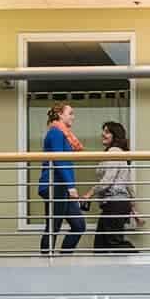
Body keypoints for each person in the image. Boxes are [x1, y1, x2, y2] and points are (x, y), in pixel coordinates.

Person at [36, 103, 87, 254]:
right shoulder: (56, 132)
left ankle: (64, 257)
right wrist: (71, 186)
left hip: (62, 186)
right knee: (53, 226)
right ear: (60, 114)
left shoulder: (63, 133)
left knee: (78, 225)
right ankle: (46, 263)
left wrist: (70, 186)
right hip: (54, 185)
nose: (73, 117)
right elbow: (59, 160)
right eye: (70, 113)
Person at [90, 120, 137, 251]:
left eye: (107, 132)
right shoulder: (119, 153)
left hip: (115, 204)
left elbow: (108, 180)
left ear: (115, 135)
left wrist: (89, 193)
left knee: (114, 243)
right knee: (101, 245)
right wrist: (134, 209)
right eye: (103, 131)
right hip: (117, 204)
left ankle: (140, 259)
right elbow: (128, 185)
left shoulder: (114, 151)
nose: (103, 134)